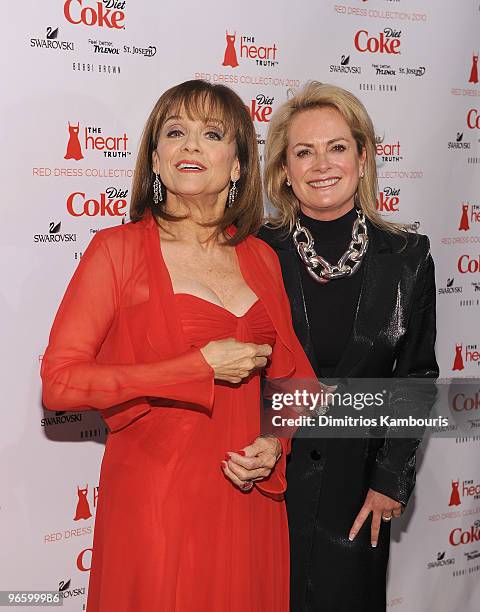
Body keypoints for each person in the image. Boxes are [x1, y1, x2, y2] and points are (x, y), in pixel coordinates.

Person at [41, 80, 316, 612]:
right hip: (157, 507)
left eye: (211, 134)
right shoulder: (117, 252)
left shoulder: (262, 258)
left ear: (237, 165)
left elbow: (296, 384)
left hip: (247, 506)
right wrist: (193, 368)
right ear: (157, 159)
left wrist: (274, 444)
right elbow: (60, 382)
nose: (191, 145)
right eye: (175, 132)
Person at [257, 81, 439, 611]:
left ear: (362, 158)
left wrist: (389, 482)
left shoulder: (408, 258)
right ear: (284, 171)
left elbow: (415, 381)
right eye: (303, 151)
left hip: (359, 493)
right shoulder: (255, 252)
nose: (321, 164)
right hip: (269, 484)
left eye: (337, 147)